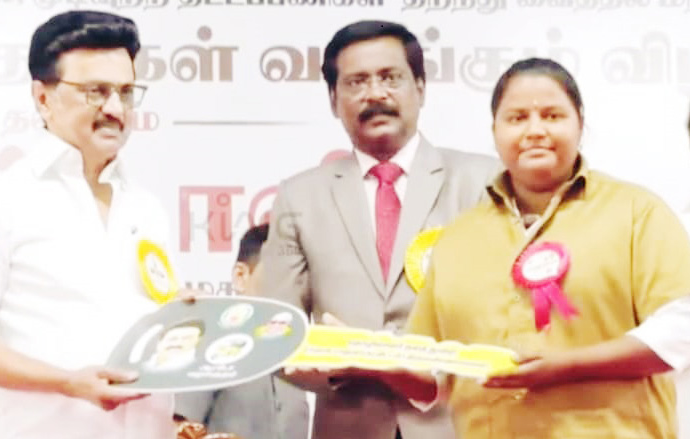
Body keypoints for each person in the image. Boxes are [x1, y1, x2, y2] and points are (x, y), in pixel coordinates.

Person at [375, 57, 690, 438]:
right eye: (517, 118)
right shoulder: (457, 238)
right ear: (494, 131)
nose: (535, 130)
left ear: (580, 125)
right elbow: (434, 376)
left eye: (553, 116)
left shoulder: (638, 213)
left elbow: (678, 331)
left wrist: (566, 366)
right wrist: (365, 359)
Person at [0, 10, 177, 439]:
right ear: (43, 97)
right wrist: (67, 383)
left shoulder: (147, 207)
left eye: (126, 92)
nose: (115, 109)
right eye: (95, 92)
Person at [260, 20, 498, 439]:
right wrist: (336, 366)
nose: (375, 94)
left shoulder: (482, 181)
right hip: (349, 424)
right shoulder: (299, 197)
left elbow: (504, 319)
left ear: (420, 88)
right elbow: (277, 330)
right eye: (357, 82)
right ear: (333, 100)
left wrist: (420, 375)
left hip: (457, 424)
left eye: (390, 78)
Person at [175, 224, 309, 439]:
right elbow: (180, 428)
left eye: (296, 279)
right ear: (240, 276)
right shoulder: (210, 344)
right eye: (277, 276)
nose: (288, 288)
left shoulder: (299, 359)